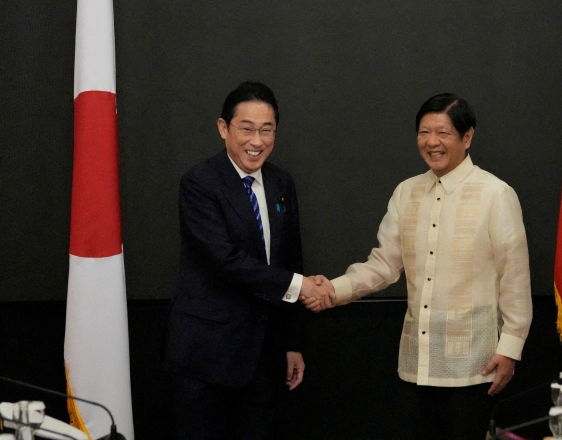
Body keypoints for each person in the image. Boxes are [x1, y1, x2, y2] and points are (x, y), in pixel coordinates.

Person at [303, 93, 532, 440]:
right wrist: (333, 290)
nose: (432, 142)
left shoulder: (496, 195)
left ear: (467, 137)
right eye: (424, 132)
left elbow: (514, 277)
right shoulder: (405, 193)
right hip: (415, 364)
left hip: (474, 366)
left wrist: (510, 348)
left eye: (443, 133)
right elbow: (383, 265)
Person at [164, 81, 334, 440]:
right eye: (246, 128)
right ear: (224, 128)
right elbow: (223, 260)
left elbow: (291, 257)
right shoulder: (199, 183)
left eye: (266, 130)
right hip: (206, 356)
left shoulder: (281, 183)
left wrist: (292, 343)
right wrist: (300, 285)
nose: (257, 141)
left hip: (263, 355)